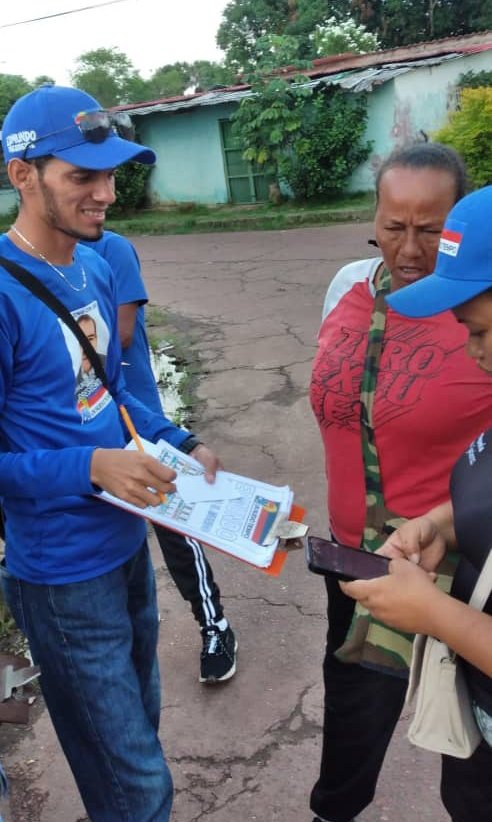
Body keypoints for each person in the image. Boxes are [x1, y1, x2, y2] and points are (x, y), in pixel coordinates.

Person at [0, 84, 224, 822]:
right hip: (62, 575)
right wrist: (91, 468)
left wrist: (177, 440)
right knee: (137, 786)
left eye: (110, 173)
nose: (106, 193)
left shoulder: (96, 266)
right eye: (83, 177)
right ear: (22, 175)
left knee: (135, 742)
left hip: (125, 544)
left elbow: (106, 397)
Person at [309, 143, 492, 822]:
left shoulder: (479, 309)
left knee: (468, 729)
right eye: (393, 226)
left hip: (459, 567)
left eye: (430, 230)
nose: (408, 249)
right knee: (352, 707)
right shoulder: (348, 290)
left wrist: (445, 524)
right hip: (365, 556)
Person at [81, 230, 237, 683]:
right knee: (110, 531)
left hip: (137, 419)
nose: (101, 194)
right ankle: (128, 622)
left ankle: (215, 624)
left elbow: (121, 333)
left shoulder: (111, 251)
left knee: (174, 524)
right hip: (87, 431)